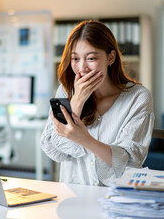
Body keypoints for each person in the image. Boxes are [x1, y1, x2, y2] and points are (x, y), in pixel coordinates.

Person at [40, 20, 154, 186]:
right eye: (75, 59)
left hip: (116, 199)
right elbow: (54, 150)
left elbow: (129, 163)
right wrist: (77, 102)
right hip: (73, 198)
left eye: (91, 58)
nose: (82, 68)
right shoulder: (66, 91)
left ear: (111, 57)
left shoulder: (138, 97)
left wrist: (86, 140)